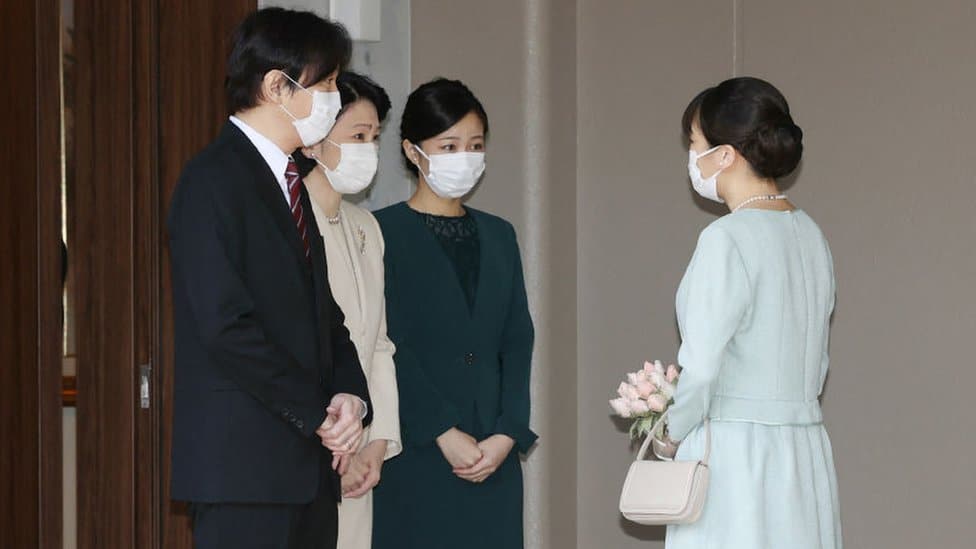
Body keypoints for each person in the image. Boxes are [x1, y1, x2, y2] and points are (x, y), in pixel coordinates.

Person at [167, 9, 372, 549]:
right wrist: (316, 413)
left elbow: (324, 316)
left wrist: (351, 394)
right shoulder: (211, 180)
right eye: (325, 83)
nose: (333, 97)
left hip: (306, 470)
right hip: (244, 470)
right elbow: (225, 325)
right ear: (277, 86)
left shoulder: (290, 182)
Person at [663, 77, 842, 549]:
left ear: (725, 155)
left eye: (695, 144)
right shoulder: (811, 234)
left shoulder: (726, 239)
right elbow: (817, 364)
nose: (691, 157)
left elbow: (700, 367)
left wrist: (670, 434)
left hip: (735, 456)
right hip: (803, 453)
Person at [371, 78, 537, 549]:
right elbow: (387, 340)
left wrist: (508, 432)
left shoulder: (500, 234)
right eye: (448, 145)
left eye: (475, 145)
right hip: (416, 449)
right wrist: (442, 430)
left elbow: (516, 339)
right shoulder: (382, 232)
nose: (464, 157)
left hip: (493, 454)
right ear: (412, 150)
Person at [296, 71, 402, 549]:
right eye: (357, 136)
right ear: (314, 142)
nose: (369, 150)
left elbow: (377, 342)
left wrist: (377, 441)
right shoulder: (290, 220)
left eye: (375, 138)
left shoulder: (366, 226)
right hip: (319, 443)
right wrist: (337, 445)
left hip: (360, 442)